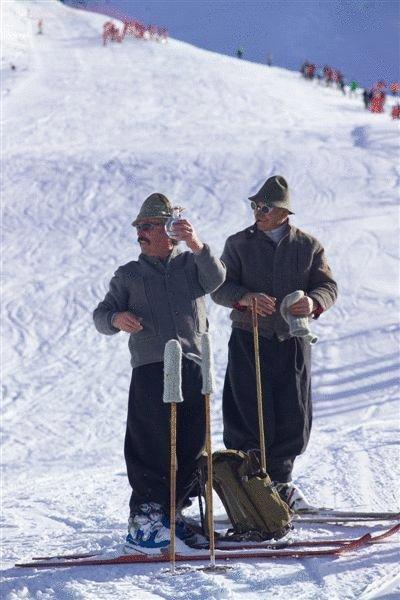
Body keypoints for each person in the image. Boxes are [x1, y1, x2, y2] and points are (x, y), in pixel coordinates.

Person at [93, 193, 226, 550]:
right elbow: (101, 316)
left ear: (169, 229)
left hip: (193, 364)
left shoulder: (191, 266)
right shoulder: (129, 275)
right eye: (139, 226)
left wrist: (196, 244)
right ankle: (144, 520)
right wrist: (115, 318)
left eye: (148, 226)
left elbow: (216, 279)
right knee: (150, 441)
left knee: (190, 443)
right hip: (152, 367)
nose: (140, 232)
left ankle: (173, 514)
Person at [211, 176, 337, 512]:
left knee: (292, 411)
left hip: (292, 339)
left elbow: (327, 286)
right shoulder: (237, 244)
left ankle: (281, 483)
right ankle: (250, 486)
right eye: (254, 205)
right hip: (248, 338)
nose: (258, 212)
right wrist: (244, 298)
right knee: (247, 409)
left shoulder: (308, 246)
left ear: (283, 211)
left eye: (264, 206)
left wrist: (312, 303)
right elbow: (220, 288)